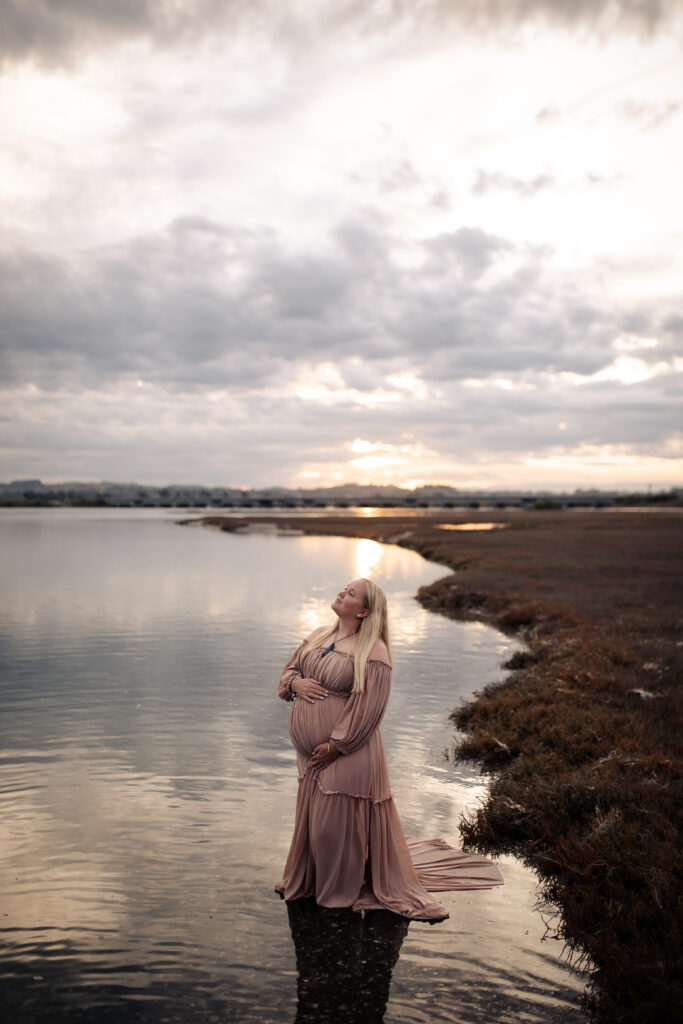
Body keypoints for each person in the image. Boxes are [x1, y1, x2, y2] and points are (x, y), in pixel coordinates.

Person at [275, 578, 503, 921]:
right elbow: (288, 671)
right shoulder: (321, 634)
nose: (342, 593)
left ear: (364, 611)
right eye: (345, 588)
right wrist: (296, 683)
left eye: (350, 594)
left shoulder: (374, 652)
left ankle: (337, 896)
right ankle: (313, 884)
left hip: (346, 754)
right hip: (310, 756)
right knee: (316, 825)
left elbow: (369, 709)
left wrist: (338, 745)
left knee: (332, 827)